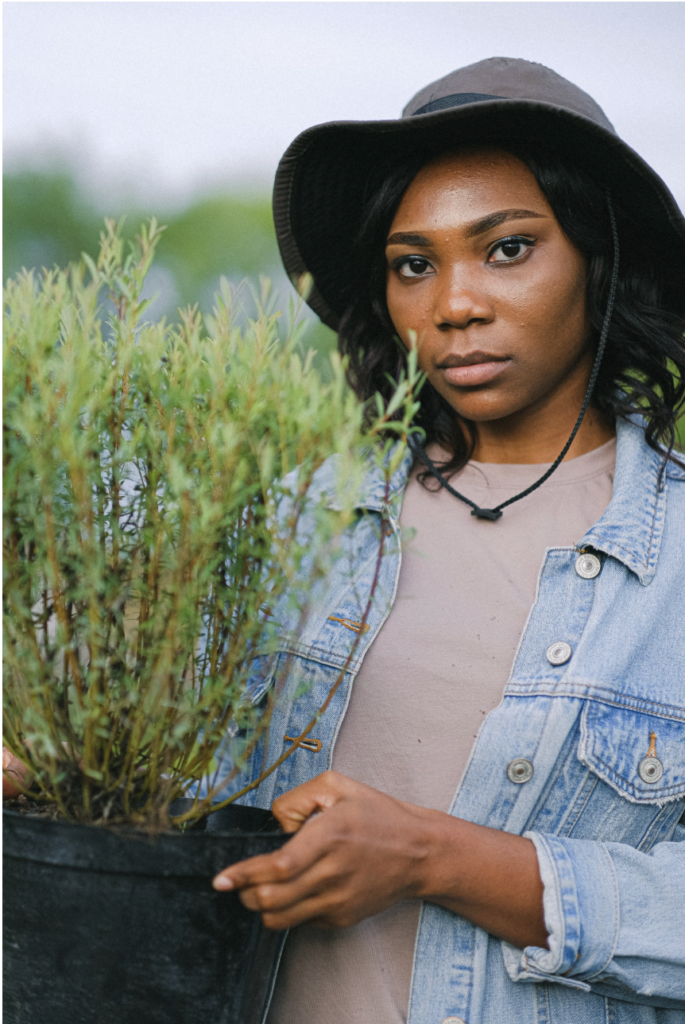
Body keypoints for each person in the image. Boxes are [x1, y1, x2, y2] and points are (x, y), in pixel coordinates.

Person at [208, 58, 685, 1024]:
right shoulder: (295, 524)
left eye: (506, 249)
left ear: (599, 259)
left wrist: (428, 856)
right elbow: (177, 813)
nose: (453, 305)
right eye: (413, 264)